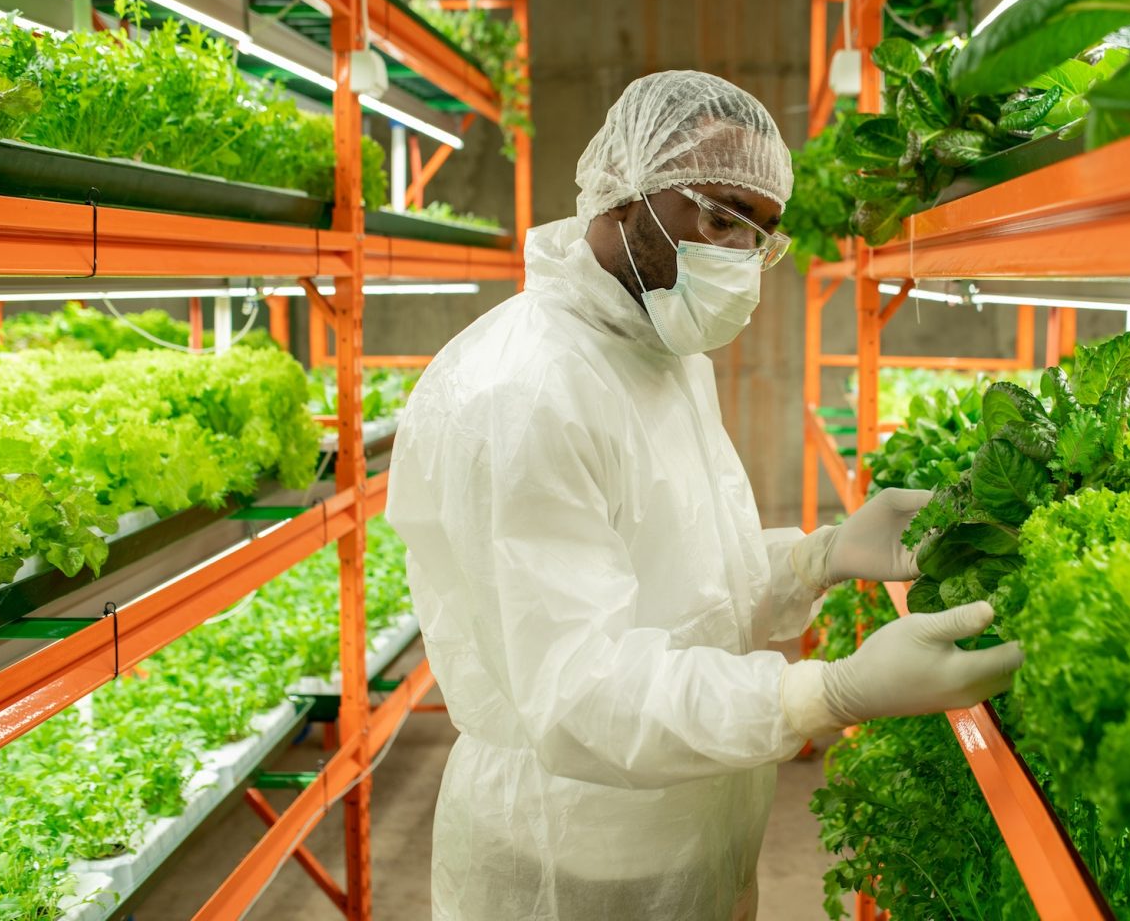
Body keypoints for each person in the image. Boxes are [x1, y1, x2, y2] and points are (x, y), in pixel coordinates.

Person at [386, 70, 1023, 921]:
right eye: (719, 217)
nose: (738, 259)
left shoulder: (661, 348)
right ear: (624, 194)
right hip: (575, 851)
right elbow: (581, 694)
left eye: (760, 234)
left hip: (695, 826)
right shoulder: (524, 390)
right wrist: (819, 694)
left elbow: (677, 579)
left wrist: (814, 558)